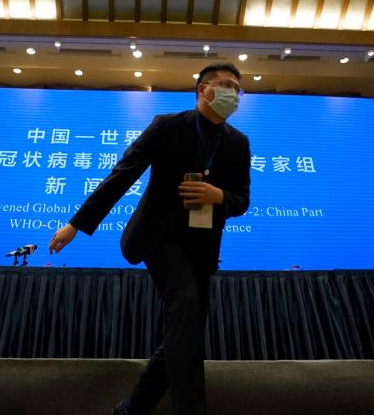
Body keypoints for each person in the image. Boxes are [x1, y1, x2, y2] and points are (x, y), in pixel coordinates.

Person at [48, 62, 251, 415]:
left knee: (185, 330)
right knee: (185, 301)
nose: (231, 91)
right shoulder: (167, 126)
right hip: (158, 237)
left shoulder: (238, 143)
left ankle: (132, 409)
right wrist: (77, 224)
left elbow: (242, 200)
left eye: (236, 86)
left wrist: (219, 196)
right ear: (202, 90)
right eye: (223, 84)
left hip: (202, 247)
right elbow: (123, 174)